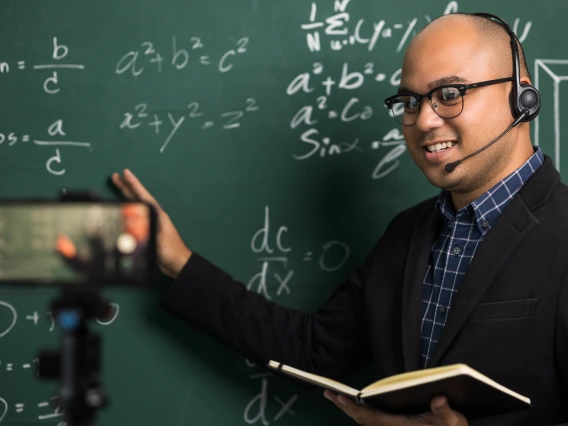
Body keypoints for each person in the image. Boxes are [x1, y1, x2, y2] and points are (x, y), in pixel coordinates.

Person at [111, 13, 568, 426]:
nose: (424, 120)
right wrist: (177, 261)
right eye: (409, 102)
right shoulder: (406, 235)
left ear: (520, 94)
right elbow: (314, 350)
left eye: (449, 95)